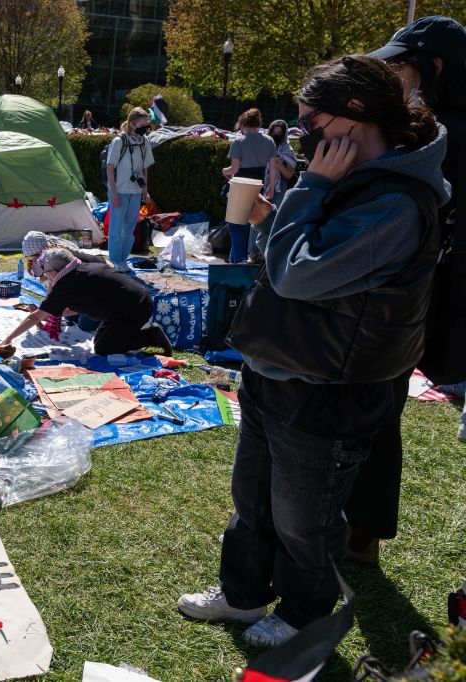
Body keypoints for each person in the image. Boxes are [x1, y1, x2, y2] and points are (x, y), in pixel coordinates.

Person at [178, 55, 448, 648]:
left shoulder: (396, 201)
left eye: (310, 126)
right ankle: (245, 597)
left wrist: (311, 188)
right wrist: (279, 215)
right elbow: (292, 261)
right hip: (279, 367)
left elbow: (300, 276)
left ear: (354, 117)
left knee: (306, 520)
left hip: (330, 385)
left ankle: (305, 615)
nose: (302, 140)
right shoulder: (356, 181)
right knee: (252, 501)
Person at [343, 16, 466, 564]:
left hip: (409, 299)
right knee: (379, 411)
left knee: (372, 410)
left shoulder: (441, 132)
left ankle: (358, 535)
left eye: (401, 66)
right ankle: (362, 535)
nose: (396, 77)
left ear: (434, 67)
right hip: (424, 297)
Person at [0, 248, 172, 355]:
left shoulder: (66, 283)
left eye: (48, 272)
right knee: (98, 343)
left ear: (56, 270)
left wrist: (8, 339)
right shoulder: (80, 268)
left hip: (134, 309)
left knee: (105, 348)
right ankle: (136, 335)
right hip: (130, 303)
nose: (48, 276)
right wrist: (52, 313)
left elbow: (34, 318)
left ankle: (151, 336)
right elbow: (81, 304)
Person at [222, 108, 277, 263]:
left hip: (240, 186)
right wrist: (271, 187)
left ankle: (239, 260)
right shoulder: (269, 140)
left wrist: (223, 170)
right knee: (256, 223)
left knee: (236, 225)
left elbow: (234, 169)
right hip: (258, 186)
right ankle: (239, 259)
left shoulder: (239, 141)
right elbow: (273, 167)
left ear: (243, 124)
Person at [105, 107, 154, 270]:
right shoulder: (119, 141)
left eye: (148, 122)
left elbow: (145, 168)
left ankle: (122, 260)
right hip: (119, 191)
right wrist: (114, 194)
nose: (147, 126)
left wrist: (145, 190)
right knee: (116, 229)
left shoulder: (144, 141)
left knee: (129, 230)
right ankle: (115, 260)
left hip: (135, 192)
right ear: (133, 124)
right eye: (144, 123)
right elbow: (110, 168)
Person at [264, 120, 297, 202]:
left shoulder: (287, 150)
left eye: (279, 133)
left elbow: (289, 175)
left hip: (279, 188)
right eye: (273, 132)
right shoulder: (263, 146)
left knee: (275, 212)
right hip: (261, 182)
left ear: (284, 134)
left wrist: (280, 165)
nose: (276, 135)